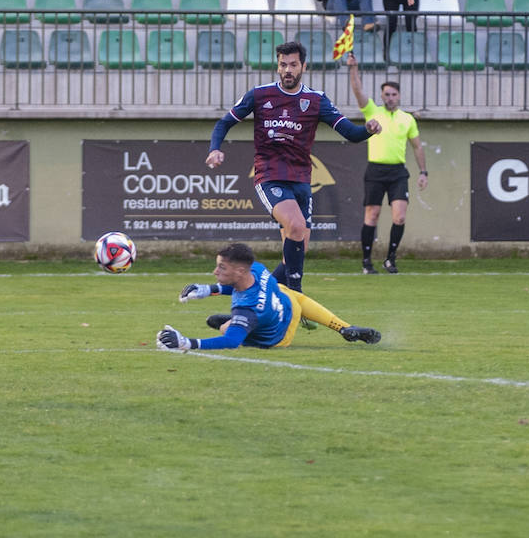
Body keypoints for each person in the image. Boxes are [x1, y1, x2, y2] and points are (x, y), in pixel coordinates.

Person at [204, 41, 380, 293]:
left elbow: (350, 133)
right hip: (270, 175)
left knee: (296, 250)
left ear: (303, 66)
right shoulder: (260, 94)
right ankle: (296, 294)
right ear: (277, 66)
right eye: (283, 64)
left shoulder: (315, 100)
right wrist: (215, 148)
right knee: (296, 227)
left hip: (301, 179)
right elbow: (224, 123)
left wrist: (368, 130)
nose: (288, 70)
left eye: (293, 65)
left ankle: (252, 296)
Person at [158, 243, 382, 352]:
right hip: (289, 302)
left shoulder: (248, 309)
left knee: (229, 330)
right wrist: (208, 289)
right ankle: (344, 328)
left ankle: (234, 324)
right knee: (288, 292)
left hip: (281, 335)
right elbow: (236, 285)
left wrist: (188, 343)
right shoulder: (256, 268)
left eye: (221, 268)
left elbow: (231, 342)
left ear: (239, 271)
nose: (215, 272)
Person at [345, 59, 428, 275]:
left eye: (393, 94)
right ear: (381, 96)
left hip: (398, 172)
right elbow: (357, 90)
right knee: (371, 215)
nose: (390, 97)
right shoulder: (372, 111)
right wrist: (354, 68)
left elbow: (417, 147)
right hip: (375, 170)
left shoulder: (407, 119)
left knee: (399, 217)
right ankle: (366, 262)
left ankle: (390, 259)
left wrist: (423, 172)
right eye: (387, 94)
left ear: (398, 96)